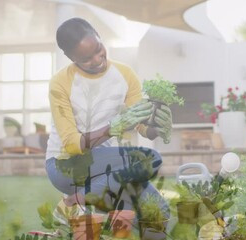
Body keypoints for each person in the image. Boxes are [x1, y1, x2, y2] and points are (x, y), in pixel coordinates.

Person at [45, 18, 171, 224]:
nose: (97, 59)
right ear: (70, 57)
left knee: (158, 213)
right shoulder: (61, 83)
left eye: (98, 49)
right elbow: (71, 144)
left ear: (99, 36)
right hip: (65, 166)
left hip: (108, 170)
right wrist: (113, 128)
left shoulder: (125, 74)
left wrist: (159, 127)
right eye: (86, 58)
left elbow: (142, 126)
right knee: (149, 159)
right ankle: (75, 202)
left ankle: (82, 204)